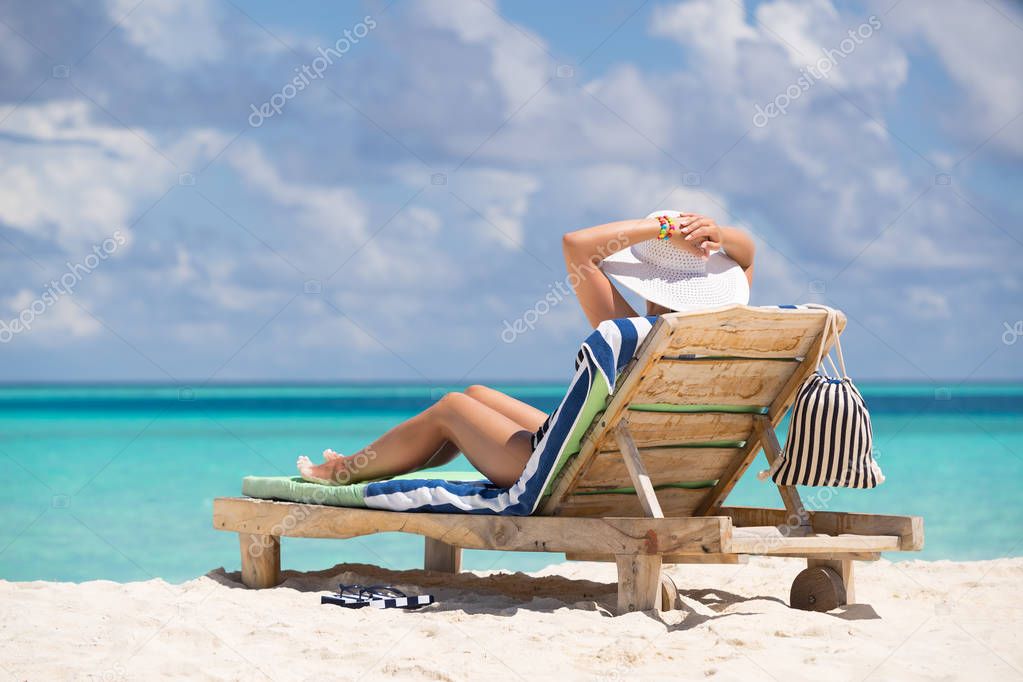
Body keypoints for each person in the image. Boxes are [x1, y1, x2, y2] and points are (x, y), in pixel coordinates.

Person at [297, 211, 755, 487]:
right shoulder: (727, 333)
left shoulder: (636, 334)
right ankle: (372, 465)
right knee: (476, 394)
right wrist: (715, 233)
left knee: (452, 408)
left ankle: (347, 471)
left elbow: (576, 247)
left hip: (580, 474)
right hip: (642, 467)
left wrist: (665, 227)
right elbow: (749, 254)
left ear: (652, 284)